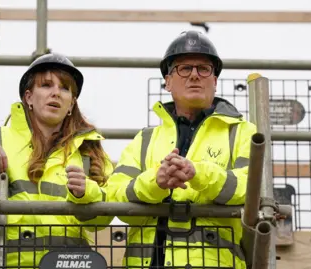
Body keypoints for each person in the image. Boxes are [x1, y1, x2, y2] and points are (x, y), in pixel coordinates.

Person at [0, 53, 114, 267]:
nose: (56, 93)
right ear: (28, 97)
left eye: (65, 88)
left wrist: (86, 193)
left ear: (72, 103)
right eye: (46, 85)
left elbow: (102, 220)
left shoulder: (89, 151)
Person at [106, 30, 256, 269]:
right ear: (167, 81)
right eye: (184, 68)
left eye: (204, 68)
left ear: (215, 81)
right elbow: (114, 198)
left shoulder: (243, 132)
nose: (194, 75)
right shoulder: (144, 140)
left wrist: (199, 174)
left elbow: (252, 190)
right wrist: (155, 182)